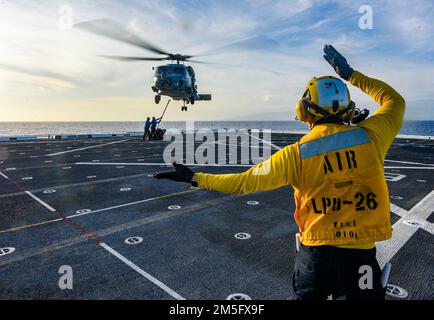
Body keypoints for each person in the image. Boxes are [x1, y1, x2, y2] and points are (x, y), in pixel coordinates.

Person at [154, 45, 405, 300]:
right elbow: (395, 101)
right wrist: (351, 74)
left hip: (317, 258)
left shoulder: (296, 154)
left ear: (304, 111)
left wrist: (195, 178)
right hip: (361, 258)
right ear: (349, 110)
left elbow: (243, 183)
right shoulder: (373, 136)